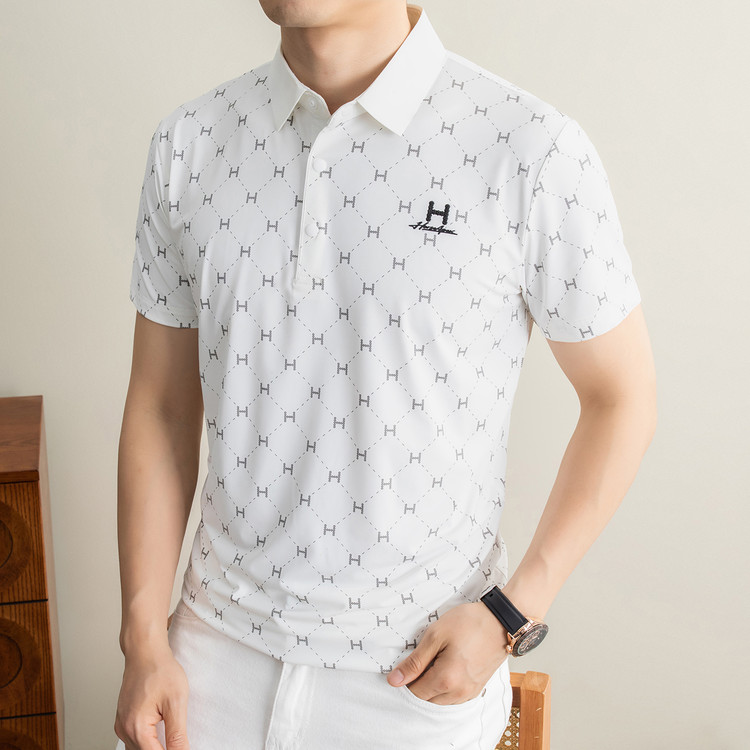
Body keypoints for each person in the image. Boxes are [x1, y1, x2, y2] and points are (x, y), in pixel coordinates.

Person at [114, 1, 657, 749]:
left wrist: (512, 612)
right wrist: (143, 638)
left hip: (411, 676)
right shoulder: (191, 142)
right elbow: (161, 405)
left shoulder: (527, 148)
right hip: (208, 662)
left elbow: (622, 397)